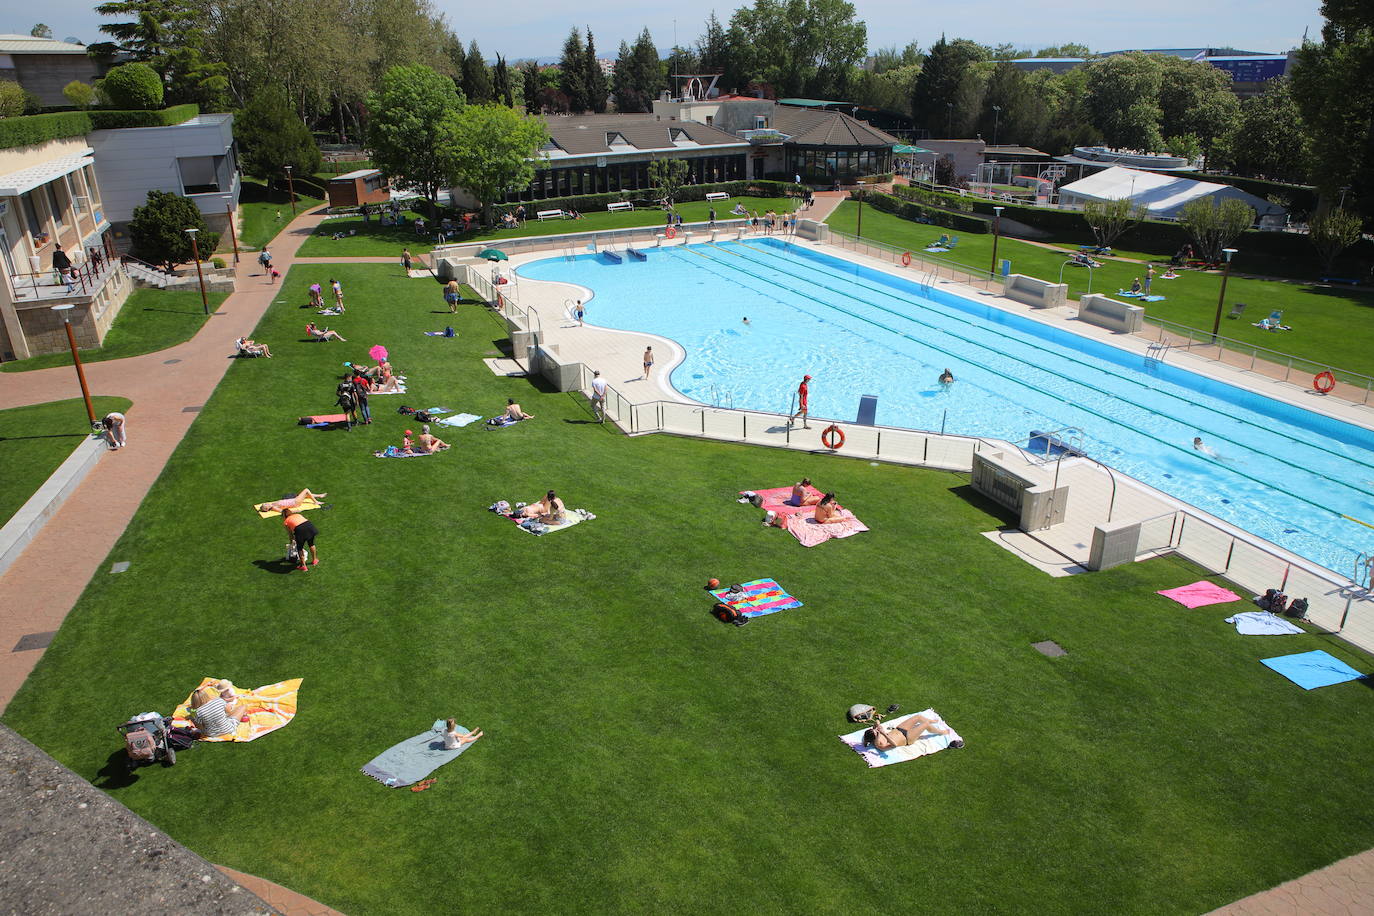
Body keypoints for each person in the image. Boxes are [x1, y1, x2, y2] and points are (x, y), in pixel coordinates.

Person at [862, 713, 950, 750]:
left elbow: (876, 724)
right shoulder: (880, 744)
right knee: (925, 724)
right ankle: (941, 732)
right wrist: (883, 733)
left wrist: (877, 724)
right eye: (875, 732)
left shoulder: (875, 733)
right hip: (907, 738)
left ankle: (932, 721)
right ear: (875, 737)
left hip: (899, 729)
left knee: (918, 717)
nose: (876, 730)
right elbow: (894, 745)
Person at [259, 488, 327, 513]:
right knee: (306, 490)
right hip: (295, 502)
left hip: (294, 500)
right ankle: (316, 502)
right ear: (267, 509)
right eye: (266, 505)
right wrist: (295, 511)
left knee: (305, 495)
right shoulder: (274, 508)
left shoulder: (272, 504)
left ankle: (319, 495)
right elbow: (283, 511)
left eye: (265, 503)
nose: (266, 503)